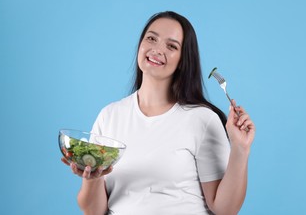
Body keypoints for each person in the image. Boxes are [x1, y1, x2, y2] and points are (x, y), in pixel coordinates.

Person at [62, 11, 256, 215]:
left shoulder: (202, 120)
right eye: (151, 38)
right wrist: (92, 177)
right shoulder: (109, 116)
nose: (156, 49)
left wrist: (241, 150)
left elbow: (225, 209)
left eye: (171, 46)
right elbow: (93, 211)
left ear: (183, 60)